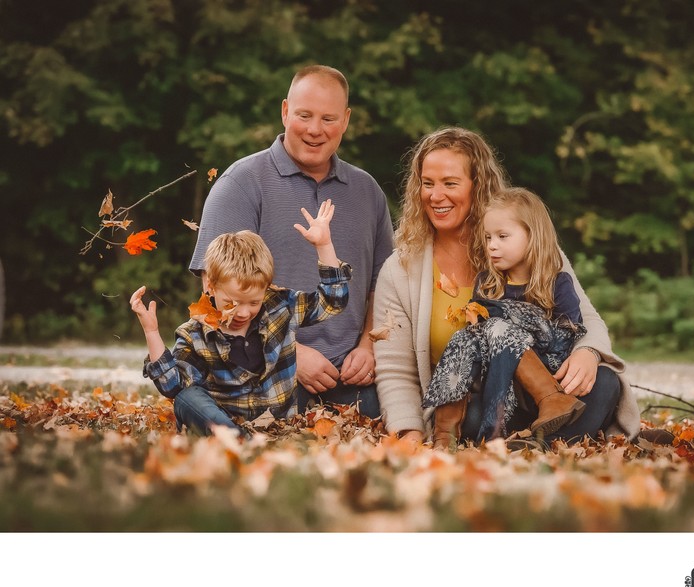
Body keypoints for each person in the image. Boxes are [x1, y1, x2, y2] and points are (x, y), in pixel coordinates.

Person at [372, 127, 643, 447]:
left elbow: (587, 319)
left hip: (552, 392)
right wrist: (409, 430)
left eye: (450, 183)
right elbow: (395, 369)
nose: (435, 195)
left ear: (478, 186)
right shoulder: (401, 269)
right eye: (427, 184)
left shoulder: (528, 246)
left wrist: (587, 352)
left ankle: (533, 443)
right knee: (474, 411)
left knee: (606, 382)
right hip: (481, 403)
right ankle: (533, 445)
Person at [189, 65, 394, 418]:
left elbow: (383, 285)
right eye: (304, 115)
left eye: (329, 118)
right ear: (285, 112)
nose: (316, 130)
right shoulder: (240, 183)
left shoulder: (367, 193)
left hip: (350, 374)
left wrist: (368, 346)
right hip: (259, 375)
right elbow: (213, 299)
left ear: (346, 121)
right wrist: (290, 352)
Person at [131, 200, 352, 436]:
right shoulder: (195, 335)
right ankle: (235, 439)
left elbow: (332, 301)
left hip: (278, 425)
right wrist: (152, 333)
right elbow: (172, 385)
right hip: (224, 423)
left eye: (254, 302)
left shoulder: (279, 306)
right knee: (187, 399)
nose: (244, 312)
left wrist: (324, 245)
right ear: (211, 285)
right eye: (232, 303)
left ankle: (249, 441)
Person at [423, 187, 589, 448]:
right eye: (488, 237)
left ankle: (548, 399)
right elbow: (477, 343)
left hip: (547, 371)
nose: (492, 245)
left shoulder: (557, 282)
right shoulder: (487, 283)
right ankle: (445, 436)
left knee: (498, 324)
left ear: (532, 236)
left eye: (502, 236)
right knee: (465, 339)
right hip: (496, 383)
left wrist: (507, 318)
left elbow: (565, 339)